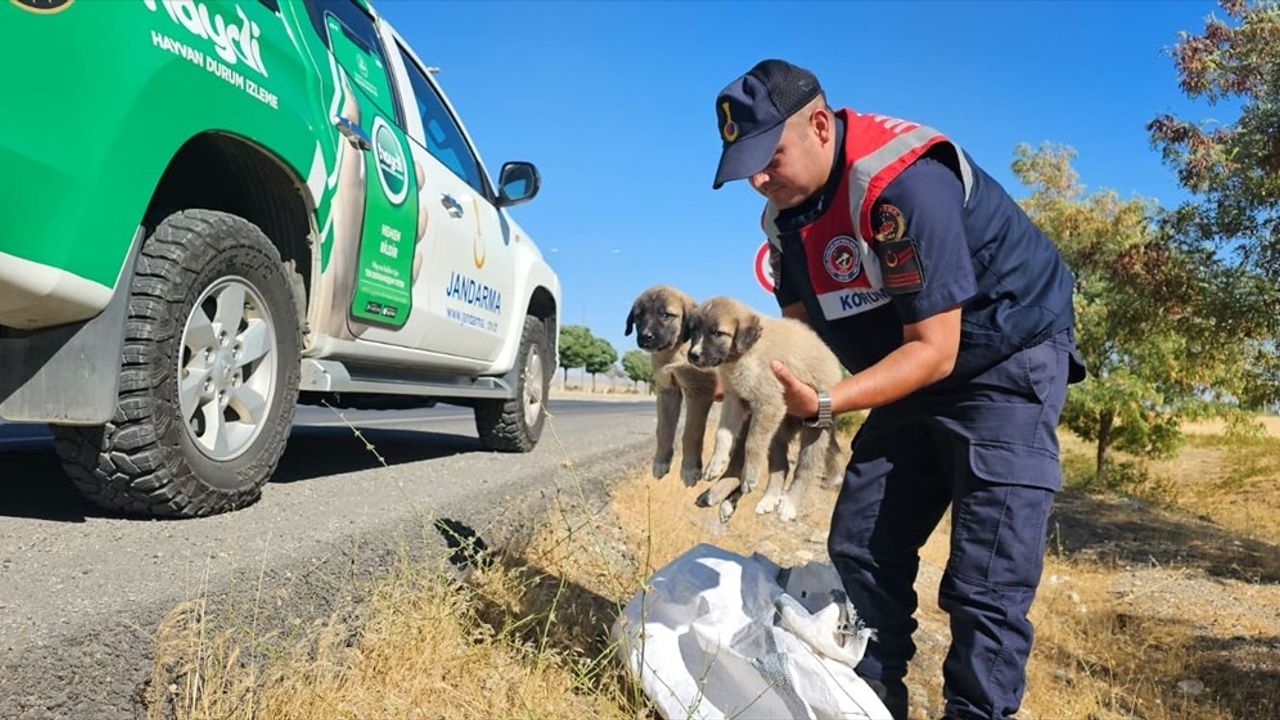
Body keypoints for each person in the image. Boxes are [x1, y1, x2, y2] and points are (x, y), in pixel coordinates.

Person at [710, 59, 1087, 720]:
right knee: (860, 543)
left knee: (984, 584)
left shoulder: (902, 184)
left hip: (1005, 358)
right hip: (908, 366)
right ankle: (872, 704)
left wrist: (825, 404)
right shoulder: (785, 224)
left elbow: (935, 351)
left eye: (768, 158)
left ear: (820, 126)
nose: (759, 181)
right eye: (745, 169)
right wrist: (749, 391)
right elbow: (804, 343)